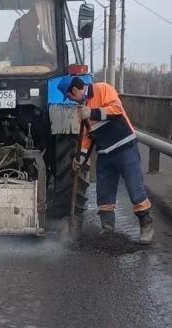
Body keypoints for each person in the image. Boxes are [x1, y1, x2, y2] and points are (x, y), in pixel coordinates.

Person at [57, 77, 154, 245]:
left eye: (70, 97)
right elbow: (87, 137)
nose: (71, 101)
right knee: (104, 194)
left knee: (135, 189)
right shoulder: (81, 110)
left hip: (125, 148)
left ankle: (146, 225)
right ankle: (107, 230)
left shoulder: (102, 89)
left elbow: (116, 110)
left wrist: (92, 113)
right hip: (105, 154)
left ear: (74, 90)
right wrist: (81, 157)